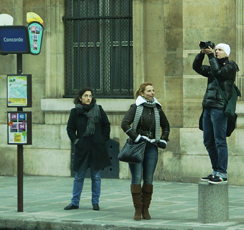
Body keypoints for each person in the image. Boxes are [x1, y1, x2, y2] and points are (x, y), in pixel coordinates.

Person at [121, 83, 170, 221]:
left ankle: (145, 209)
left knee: (149, 178)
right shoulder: (136, 107)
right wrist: (136, 137)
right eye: (149, 91)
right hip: (137, 146)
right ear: (142, 93)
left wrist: (163, 139)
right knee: (136, 178)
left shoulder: (157, 108)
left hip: (151, 147)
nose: (152, 93)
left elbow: (166, 125)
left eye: (153, 90)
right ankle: (138, 210)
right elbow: (124, 124)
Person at [192, 43, 239, 184]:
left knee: (219, 141)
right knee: (208, 141)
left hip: (219, 108)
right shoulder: (213, 67)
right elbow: (196, 67)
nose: (217, 51)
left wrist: (210, 55)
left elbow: (219, 73)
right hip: (207, 107)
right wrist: (202, 54)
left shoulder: (231, 67)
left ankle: (222, 173)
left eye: (220, 50)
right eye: (216, 49)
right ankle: (215, 170)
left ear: (226, 53)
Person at [64, 87, 111, 211]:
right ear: (80, 98)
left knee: (96, 177)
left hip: (97, 147)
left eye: (90, 96)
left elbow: (106, 125)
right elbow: (70, 129)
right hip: (82, 147)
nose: (88, 98)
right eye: (85, 96)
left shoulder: (98, 109)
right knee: (79, 176)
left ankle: (95, 202)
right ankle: (75, 202)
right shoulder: (75, 112)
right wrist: (76, 141)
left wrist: (102, 139)